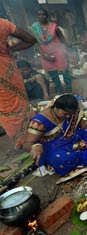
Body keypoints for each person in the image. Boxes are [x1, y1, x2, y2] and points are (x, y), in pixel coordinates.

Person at [23, 94, 87, 176]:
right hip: (55, 149)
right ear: (56, 108)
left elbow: (84, 128)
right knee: (61, 159)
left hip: (74, 140)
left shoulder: (72, 112)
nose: (68, 117)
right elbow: (27, 143)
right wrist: (36, 147)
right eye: (65, 114)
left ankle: (81, 161)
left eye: (70, 114)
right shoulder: (39, 121)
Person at [0, 18, 36, 149]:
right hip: (8, 69)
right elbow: (30, 39)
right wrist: (12, 49)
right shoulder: (3, 24)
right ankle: (35, 135)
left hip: (6, 72)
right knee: (18, 102)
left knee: (5, 107)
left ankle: (21, 142)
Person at [31, 8, 72, 93]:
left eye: (43, 14)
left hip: (58, 52)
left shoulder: (54, 26)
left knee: (64, 71)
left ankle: (69, 90)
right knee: (53, 74)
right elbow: (35, 42)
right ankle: (59, 92)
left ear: (47, 16)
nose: (41, 16)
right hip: (45, 53)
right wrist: (43, 54)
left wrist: (68, 49)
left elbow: (62, 39)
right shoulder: (34, 28)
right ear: (37, 16)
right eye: (39, 15)